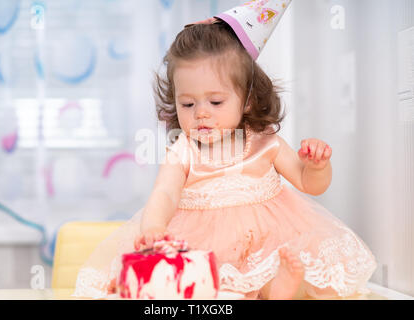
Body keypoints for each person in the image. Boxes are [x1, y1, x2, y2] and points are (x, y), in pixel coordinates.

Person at [73, 3, 377, 300]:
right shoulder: (184, 149)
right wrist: (154, 226)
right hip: (206, 245)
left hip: (265, 238)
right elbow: (164, 193)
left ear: (246, 100)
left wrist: (316, 166)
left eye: (215, 102)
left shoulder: (264, 142)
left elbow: (309, 184)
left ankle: (277, 290)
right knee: (201, 284)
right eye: (188, 104)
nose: (201, 114)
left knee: (271, 261)